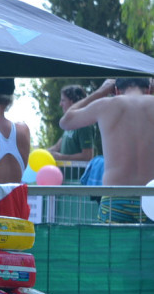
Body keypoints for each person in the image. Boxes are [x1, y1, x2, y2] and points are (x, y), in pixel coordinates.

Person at [61, 78, 154, 223]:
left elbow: (66, 121)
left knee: (111, 245)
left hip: (114, 197)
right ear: (149, 89)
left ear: (116, 91)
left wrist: (101, 92)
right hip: (151, 197)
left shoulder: (105, 105)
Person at [49, 85, 96, 162]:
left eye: (63, 100)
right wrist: (36, 153)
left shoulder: (84, 124)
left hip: (79, 174)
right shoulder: (69, 125)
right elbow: (57, 147)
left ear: (72, 102)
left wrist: (61, 157)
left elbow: (87, 156)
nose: (60, 104)